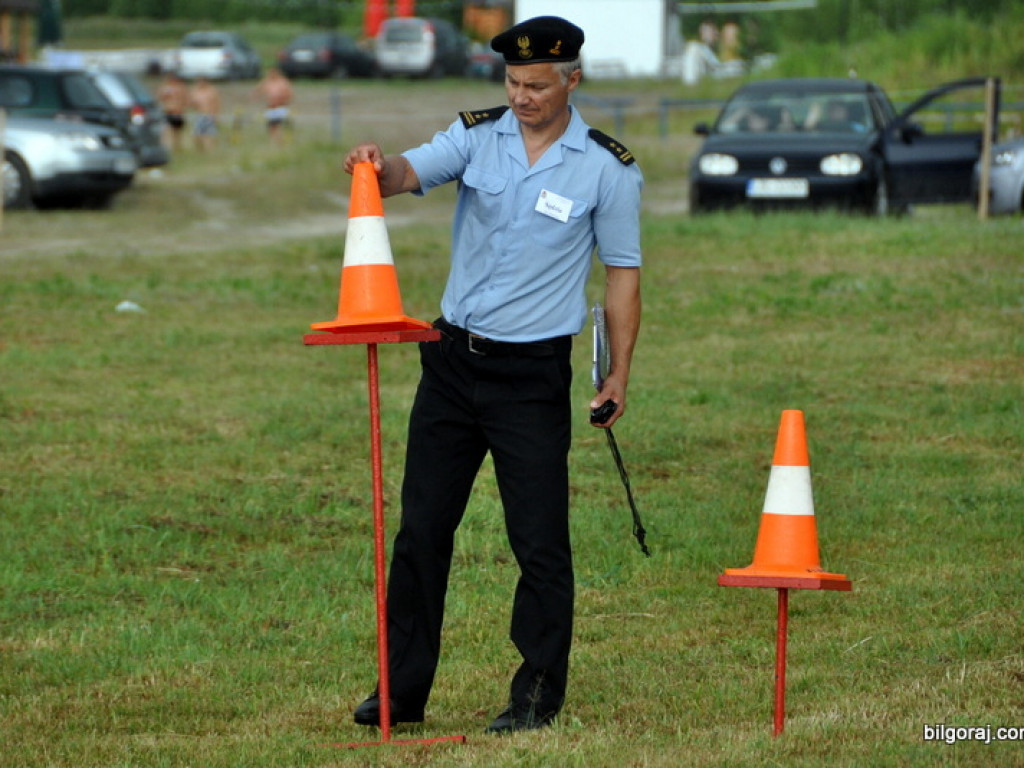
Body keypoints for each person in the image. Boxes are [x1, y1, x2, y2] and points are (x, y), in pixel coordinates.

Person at [346, 15, 643, 734]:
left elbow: (622, 279)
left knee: (539, 541)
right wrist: (373, 170)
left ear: (572, 79)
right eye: (512, 82)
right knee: (421, 532)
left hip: (531, 377)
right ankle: (400, 690)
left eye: (537, 85)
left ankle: (537, 693)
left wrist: (616, 378)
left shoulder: (608, 168)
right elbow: (408, 173)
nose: (522, 97)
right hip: (451, 365)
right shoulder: (477, 135)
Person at [253, 67, 294, 146]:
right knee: (271, 126)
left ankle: (281, 141)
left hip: (281, 107)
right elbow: (257, 91)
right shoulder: (267, 82)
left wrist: (283, 99)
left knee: (279, 125)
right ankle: (274, 141)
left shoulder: (283, 82)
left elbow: (290, 94)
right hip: (270, 108)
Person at [156, 72, 188, 152]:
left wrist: (180, 107)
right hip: (167, 112)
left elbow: (185, 99)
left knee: (177, 133)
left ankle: (177, 148)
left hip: (177, 112)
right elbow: (160, 97)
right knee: (166, 131)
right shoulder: (165, 88)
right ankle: (166, 148)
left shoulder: (181, 88)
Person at [189, 77, 221, 152]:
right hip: (199, 115)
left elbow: (217, 104)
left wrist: (215, 116)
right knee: (197, 135)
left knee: (210, 135)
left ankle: (211, 151)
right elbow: (191, 104)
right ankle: (200, 151)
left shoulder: (212, 91)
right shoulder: (195, 91)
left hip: (210, 115)